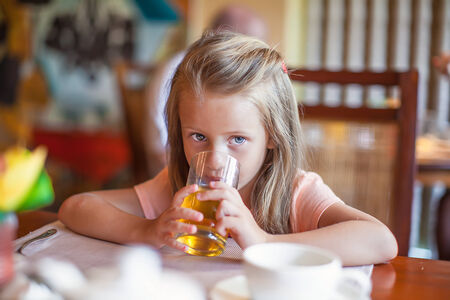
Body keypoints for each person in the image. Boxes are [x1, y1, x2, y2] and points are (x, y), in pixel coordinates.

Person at [59, 31, 398, 266]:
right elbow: (76, 207)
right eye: (198, 137)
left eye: (237, 139)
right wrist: (147, 229)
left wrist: (263, 241)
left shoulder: (295, 192)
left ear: (273, 135)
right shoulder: (179, 187)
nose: (216, 161)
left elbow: (381, 241)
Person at [143, 5, 268, 177]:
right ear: (223, 35)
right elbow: (158, 151)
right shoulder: (186, 73)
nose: (255, 60)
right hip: (177, 173)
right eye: (250, 44)